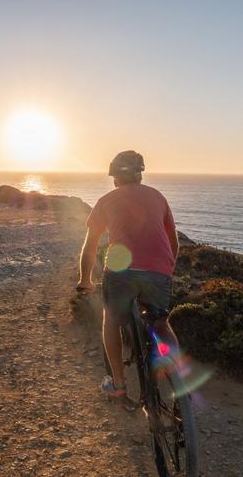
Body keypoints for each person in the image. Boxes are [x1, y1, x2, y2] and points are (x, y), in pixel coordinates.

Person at [76, 150, 180, 410]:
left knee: (111, 320)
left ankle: (119, 387)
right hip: (159, 272)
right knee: (161, 323)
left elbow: (89, 248)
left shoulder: (106, 201)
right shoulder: (158, 197)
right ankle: (180, 384)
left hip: (121, 273)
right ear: (140, 174)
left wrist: (84, 280)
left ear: (114, 178)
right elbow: (173, 242)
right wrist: (166, 270)